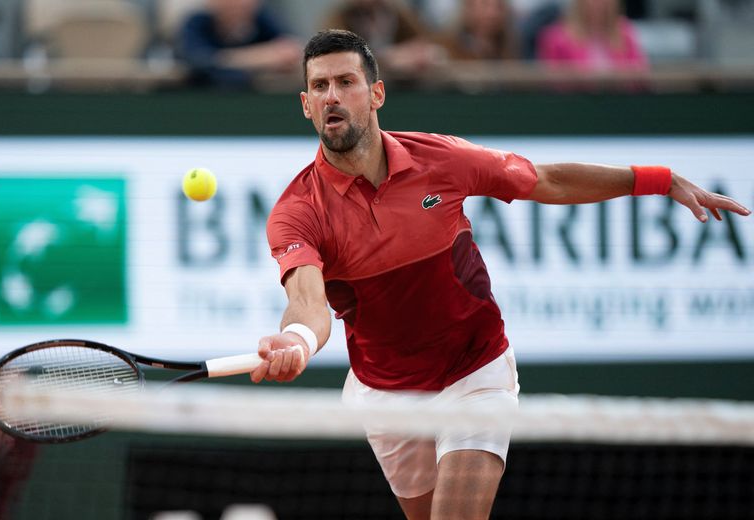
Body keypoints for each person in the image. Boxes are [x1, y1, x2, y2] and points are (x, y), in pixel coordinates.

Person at [249, 29, 750, 520]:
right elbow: (309, 302)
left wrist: (657, 180)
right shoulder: (297, 211)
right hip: (386, 395)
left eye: (345, 82)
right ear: (306, 104)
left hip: (475, 372)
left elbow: (546, 179)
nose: (332, 96)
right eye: (319, 87)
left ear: (376, 93)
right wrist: (296, 341)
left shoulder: (440, 160)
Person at [177, 0, 301, 88]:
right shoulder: (196, 23)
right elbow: (198, 60)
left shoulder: (264, 19)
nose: (235, 3)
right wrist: (262, 57)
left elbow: (291, 50)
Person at [322, 0, 445, 75]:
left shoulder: (394, 13)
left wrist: (416, 54)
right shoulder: (339, 18)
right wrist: (388, 59)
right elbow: (339, 53)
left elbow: (423, 40)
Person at [536, 0, 648, 72]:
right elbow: (551, 85)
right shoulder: (556, 38)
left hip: (620, 104)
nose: (598, 3)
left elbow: (640, 76)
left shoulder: (624, 32)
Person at [438, 0, 519, 60]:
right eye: (485, 4)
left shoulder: (512, 47)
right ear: (468, 7)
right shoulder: (447, 46)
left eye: (499, 6)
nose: (493, 13)